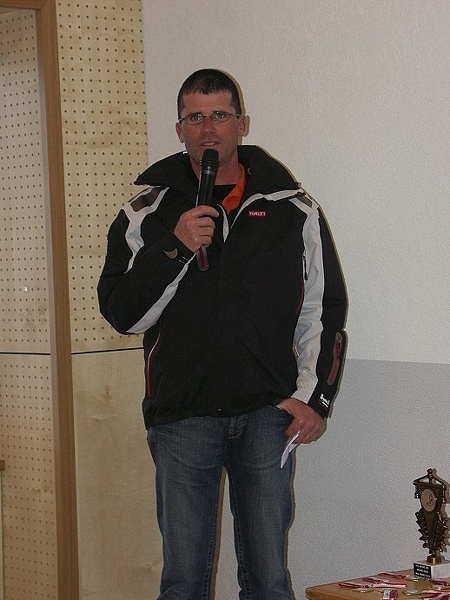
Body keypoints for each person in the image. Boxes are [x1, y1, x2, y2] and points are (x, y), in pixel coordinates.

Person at [98, 69, 347, 600]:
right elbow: (122, 313)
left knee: (268, 579)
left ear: (242, 123)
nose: (207, 128)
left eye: (219, 115)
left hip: (267, 416)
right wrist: (176, 246)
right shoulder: (145, 214)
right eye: (195, 117)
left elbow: (323, 311)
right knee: (184, 581)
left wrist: (316, 400)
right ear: (179, 129)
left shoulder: (292, 209)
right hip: (182, 416)